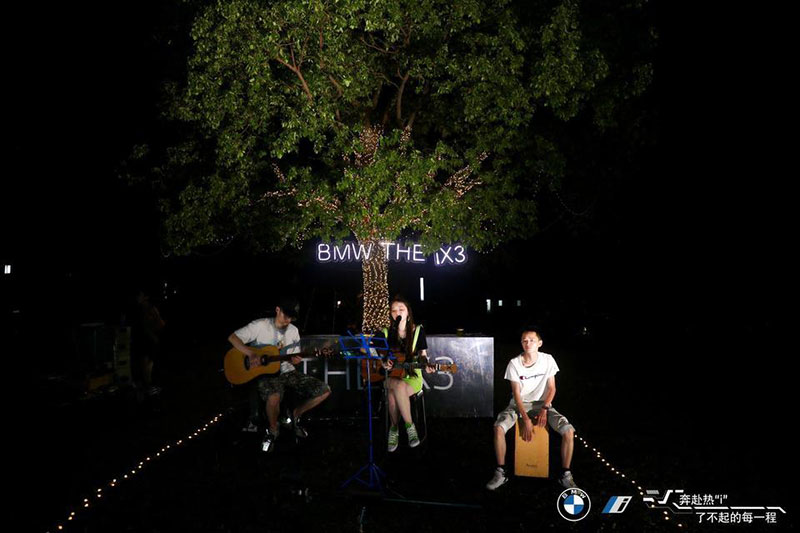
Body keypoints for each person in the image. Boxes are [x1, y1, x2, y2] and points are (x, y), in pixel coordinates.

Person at [228, 297, 331, 452]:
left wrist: (295, 360)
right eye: (285, 315)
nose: (287, 320)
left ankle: (292, 417)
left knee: (324, 390)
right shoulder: (260, 325)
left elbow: (293, 356)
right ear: (277, 310)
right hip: (266, 374)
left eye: (291, 317)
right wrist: (251, 353)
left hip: (287, 371)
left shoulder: (293, 331)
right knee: (274, 397)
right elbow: (233, 338)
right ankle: (273, 429)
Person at [486, 328, 577, 490]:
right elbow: (516, 394)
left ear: (539, 343)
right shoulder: (514, 363)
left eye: (532, 340)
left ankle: (565, 474)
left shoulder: (548, 360)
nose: (528, 343)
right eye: (524, 341)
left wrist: (545, 408)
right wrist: (526, 419)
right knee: (498, 428)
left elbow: (552, 388)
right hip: (519, 404)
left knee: (569, 431)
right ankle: (501, 472)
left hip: (543, 404)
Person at [376, 295, 434, 452]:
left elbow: (422, 355)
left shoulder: (418, 331)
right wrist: (382, 361)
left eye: (401, 309)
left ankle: (394, 428)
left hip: (412, 377)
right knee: (396, 384)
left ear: (408, 312)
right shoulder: (385, 332)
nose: (398, 313)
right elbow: (368, 349)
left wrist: (426, 364)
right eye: (394, 310)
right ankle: (410, 427)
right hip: (389, 377)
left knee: (394, 391)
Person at [134, 289, 165, 395]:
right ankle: (148, 385)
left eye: (139, 295)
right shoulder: (142, 309)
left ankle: (148, 386)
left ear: (145, 297)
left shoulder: (148, 309)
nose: (137, 298)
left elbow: (159, 323)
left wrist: (153, 335)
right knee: (146, 363)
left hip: (148, 339)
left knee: (148, 363)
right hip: (146, 339)